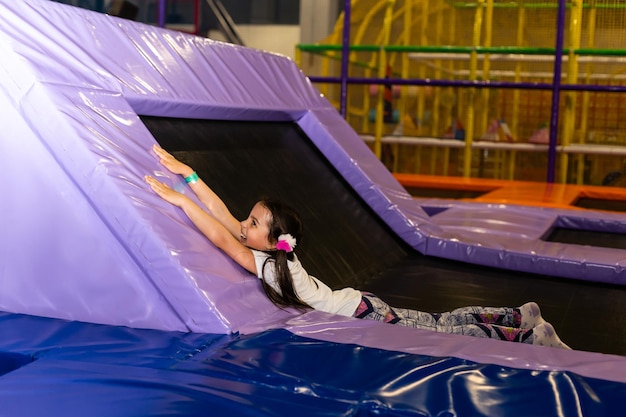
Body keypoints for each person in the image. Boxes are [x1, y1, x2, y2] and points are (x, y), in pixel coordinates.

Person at [145, 145, 570, 350]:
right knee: (438, 322)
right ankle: (519, 316)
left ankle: (528, 336)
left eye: (253, 222)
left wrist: (180, 200)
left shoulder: (269, 265)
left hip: (363, 313)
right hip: (362, 305)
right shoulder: (273, 252)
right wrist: (190, 176)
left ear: (272, 240)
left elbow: (219, 234)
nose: (244, 224)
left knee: (441, 333)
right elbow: (224, 218)